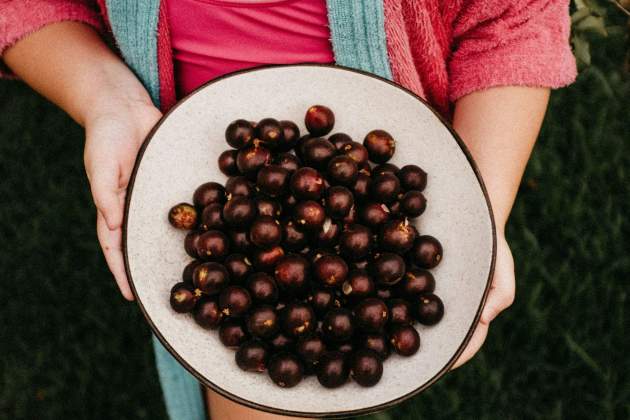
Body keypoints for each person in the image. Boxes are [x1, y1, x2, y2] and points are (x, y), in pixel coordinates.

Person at [0, 0, 576, 419]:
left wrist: (479, 200)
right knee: (254, 370)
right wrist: (106, 94)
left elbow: (512, 19)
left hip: (369, 173)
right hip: (196, 166)